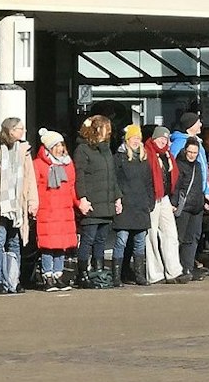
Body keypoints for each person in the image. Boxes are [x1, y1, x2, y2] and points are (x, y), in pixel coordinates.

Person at [0, 119, 37, 294]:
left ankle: (13, 280)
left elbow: (30, 179)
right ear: (10, 131)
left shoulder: (24, 150)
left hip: (17, 205)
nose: (23, 131)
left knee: (15, 243)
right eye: (20, 128)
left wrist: (32, 202)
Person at [74, 117, 120, 285]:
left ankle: (98, 270)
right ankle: (82, 274)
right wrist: (83, 199)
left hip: (106, 202)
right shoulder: (83, 149)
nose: (108, 132)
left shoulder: (107, 150)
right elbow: (79, 177)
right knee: (88, 239)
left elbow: (112, 177)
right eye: (105, 128)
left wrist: (117, 197)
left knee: (101, 239)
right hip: (92, 202)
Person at [31, 130, 78, 291]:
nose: (59, 148)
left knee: (61, 245)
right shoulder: (38, 164)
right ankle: (47, 276)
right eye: (55, 145)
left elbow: (72, 186)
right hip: (47, 210)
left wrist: (78, 203)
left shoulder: (67, 163)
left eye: (61, 144)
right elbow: (34, 187)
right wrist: (33, 206)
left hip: (64, 210)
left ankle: (59, 275)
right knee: (48, 245)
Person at [112, 125, 153, 286]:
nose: (136, 141)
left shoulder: (144, 158)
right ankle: (117, 276)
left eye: (138, 138)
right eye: (133, 138)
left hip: (141, 205)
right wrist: (117, 199)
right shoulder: (119, 157)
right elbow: (114, 181)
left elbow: (149, 182)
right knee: (121, 240)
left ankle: (139, 275)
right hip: (125, 205)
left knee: (140, 242)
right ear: (127, 139)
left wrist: (150, 201)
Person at [143, 126, 185, 282]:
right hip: (152, 197)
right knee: (151, 235)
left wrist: (173, 199)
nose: (163, 141)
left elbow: (174, 176)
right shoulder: (147, 153)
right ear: (154, 138)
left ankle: (174, 271)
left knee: (171, 234)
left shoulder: (167, 155)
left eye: (166, 139)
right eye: (160, 138)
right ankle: (155, 274)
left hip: (165, 197)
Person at [171, 134, 207, 282]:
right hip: (184, 206)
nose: (192, 155)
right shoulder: (179, 164)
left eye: (195, 152)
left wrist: (205, 197)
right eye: (190, 152)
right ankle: (177, 267)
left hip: (197, 206)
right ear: (185, 151)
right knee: (180, 238)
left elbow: (199, 185)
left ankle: (188, 267)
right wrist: (174, 203)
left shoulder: (198, 165)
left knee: (193, 238)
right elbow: (177, 186)